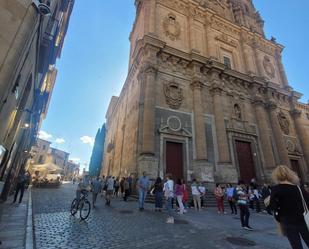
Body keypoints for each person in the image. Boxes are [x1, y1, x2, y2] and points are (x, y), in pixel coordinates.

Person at [270, 165, 309, 249]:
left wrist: (278, 218)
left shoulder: (276, 189)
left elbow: (273, 206)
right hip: (303, 219)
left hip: (287, 221)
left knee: (296, 245)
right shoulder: (298, 188)